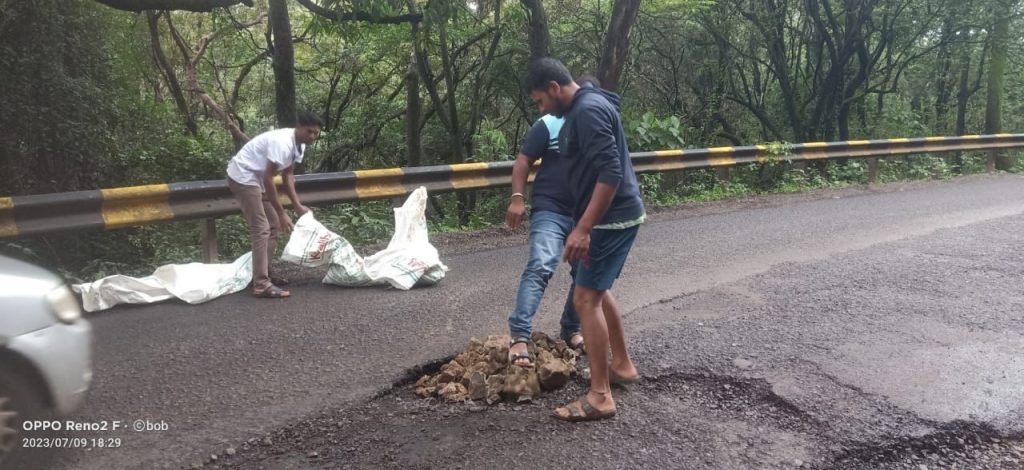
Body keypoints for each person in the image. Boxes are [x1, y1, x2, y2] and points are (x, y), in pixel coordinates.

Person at [526, 58, 645, 422]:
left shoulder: (586, 111)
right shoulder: (591, 101)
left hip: (610, 219)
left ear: (553, 88)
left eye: (540, 102)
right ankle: (621, 365)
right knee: (598, 288)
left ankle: (600, 396)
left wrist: (583, 228)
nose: (542, 109)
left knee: (585, 298)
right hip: (617, 215)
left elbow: (610, 172)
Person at [505, 75, 603, 366]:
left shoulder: (596, 125)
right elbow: (523, 160)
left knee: (586, 274)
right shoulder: (548, 124)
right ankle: (520, 337)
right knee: (540, 265)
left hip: (583, 215)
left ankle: (571, 328)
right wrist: (518, 197)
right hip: (550, 209)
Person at [226, 111, 323, 299]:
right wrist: (281, 212)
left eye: (316, 133)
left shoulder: (299, 146)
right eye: (309, 131)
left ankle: (265, 274)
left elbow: (287, 176)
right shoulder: (282, 142)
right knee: (261, 228)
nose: (312, 136)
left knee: (274, 227)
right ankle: (261, 285)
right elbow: (269, 178)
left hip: (258, 179)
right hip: (243, 176)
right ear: (299, 127)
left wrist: (297, 205)